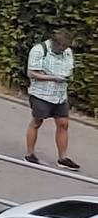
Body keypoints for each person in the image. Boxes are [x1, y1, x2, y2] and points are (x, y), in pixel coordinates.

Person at [27, 26, 76, 169]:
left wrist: (66, 77)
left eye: (65, 47)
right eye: (61, 47)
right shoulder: (39, 50)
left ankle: (63, 158)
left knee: (63, 124)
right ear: (54, 43)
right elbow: (32, 73)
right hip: (41, 94)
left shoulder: (67, 52)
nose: (63, 50)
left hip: (60, 95)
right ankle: (30, 154)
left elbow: (69, 69)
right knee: (37, 122)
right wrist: (53, 77)